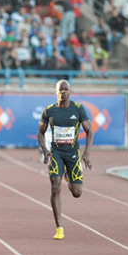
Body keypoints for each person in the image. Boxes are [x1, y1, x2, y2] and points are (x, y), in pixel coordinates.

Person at [37, 80, 93, 240]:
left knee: (77, 192)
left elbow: (89, 131)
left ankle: (68, 175)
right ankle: (59, 227)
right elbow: (40, 132)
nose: (63, 92)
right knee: (55, 185)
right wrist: (45, 150)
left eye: (66, 89)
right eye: (60, 90)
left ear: (70, 91)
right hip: (56, 153)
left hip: (73, 153)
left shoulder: (78, 109)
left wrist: (87, 153)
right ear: (56, 92)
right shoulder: (49, 111)